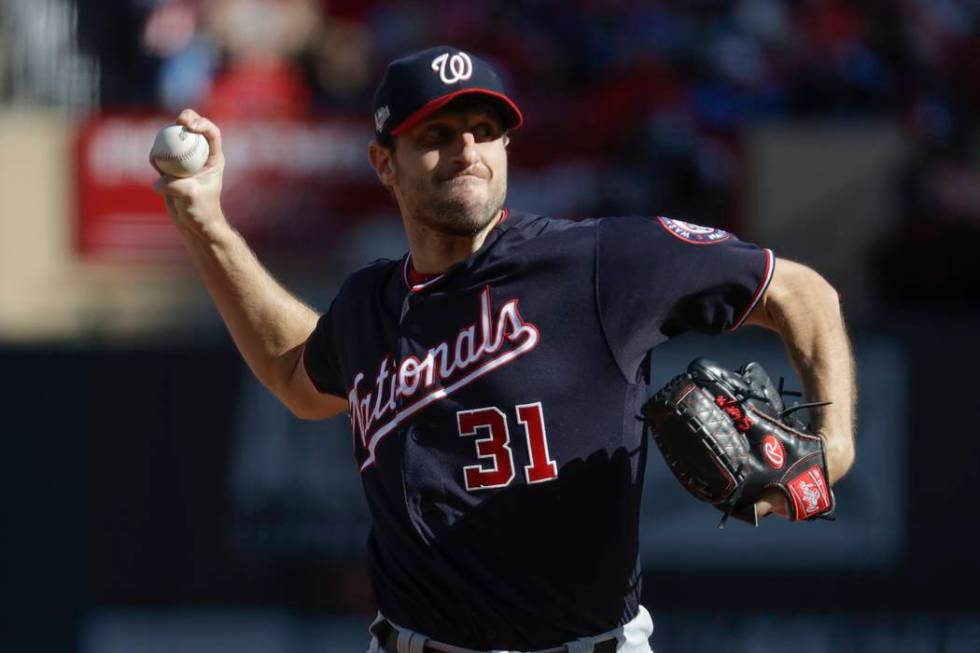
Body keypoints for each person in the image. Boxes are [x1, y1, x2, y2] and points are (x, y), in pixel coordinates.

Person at [152, 45, 856, 653]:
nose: (467, 151)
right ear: (384, 163)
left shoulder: (602, 262)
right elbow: (294, 374)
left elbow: (801, 292)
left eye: (485, 130)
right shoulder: (368, 304)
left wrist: (835, 442)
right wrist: (205, 220)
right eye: (437, 133)